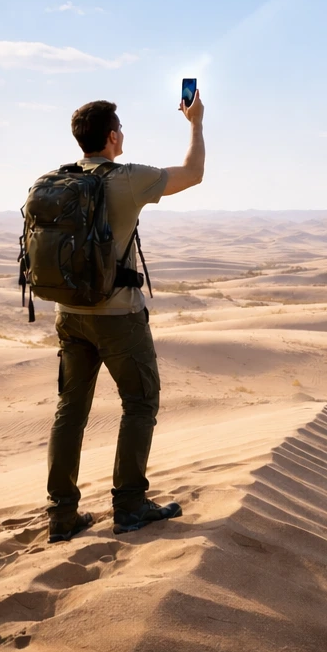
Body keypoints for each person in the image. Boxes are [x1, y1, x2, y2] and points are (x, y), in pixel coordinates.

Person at [45, 90, 205, 542]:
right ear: (113, 137)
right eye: (121, 129)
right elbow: (193, 174)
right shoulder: (128, 179)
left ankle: (61, 515)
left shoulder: (54, 180)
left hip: (68, 314)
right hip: (118, 316)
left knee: (70, 411)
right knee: (139, 403)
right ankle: (130, 506)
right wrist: (195, 122)